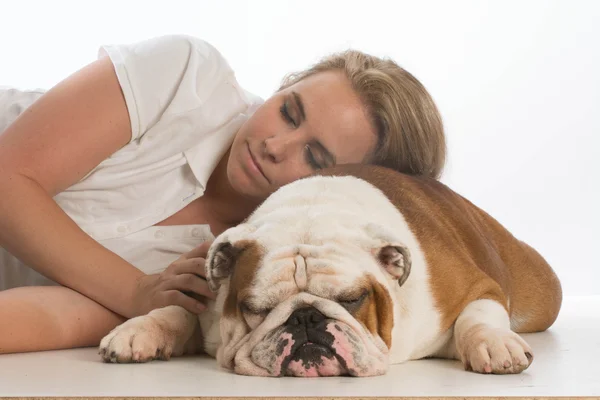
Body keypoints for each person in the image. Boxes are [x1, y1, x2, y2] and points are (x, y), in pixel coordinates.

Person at [0, 34, 446, 354]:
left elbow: (51, 317)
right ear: (281, 88)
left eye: (314, 158)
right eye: (288, 112)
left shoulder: (241, 277)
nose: (275, 146)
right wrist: (136, 291)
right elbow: (6, 179)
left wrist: (141, 302)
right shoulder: (188, 77)